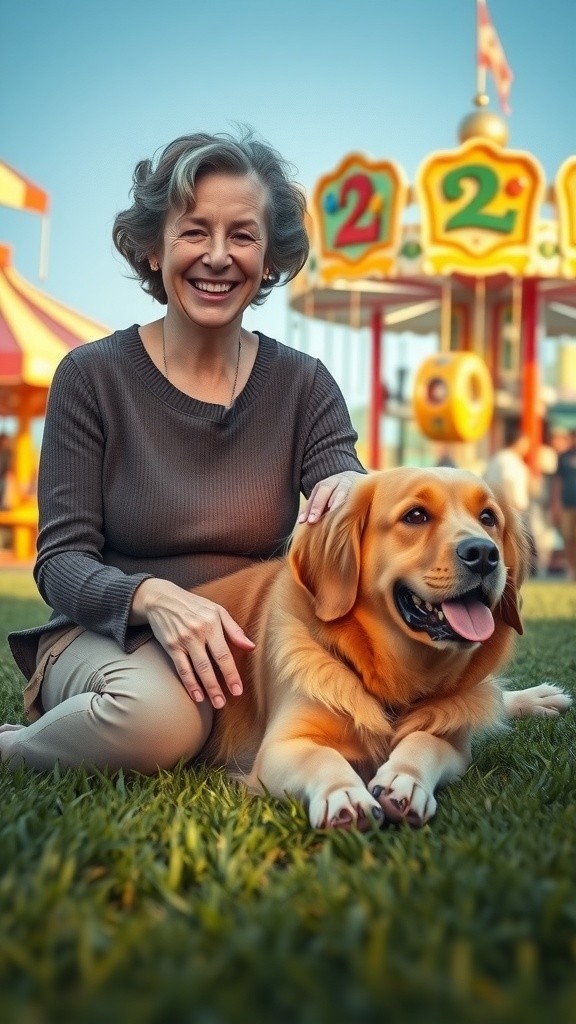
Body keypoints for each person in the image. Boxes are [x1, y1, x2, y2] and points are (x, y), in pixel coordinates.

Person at [0, 129, 366, 773]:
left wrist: (347, 488)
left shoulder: (304, 383)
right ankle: (16, 746)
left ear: (271, 258)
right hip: (108, 633)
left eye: (243, 236)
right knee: (162, 722)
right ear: (151, 248)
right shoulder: (91, 377)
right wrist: (155, 597)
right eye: (194, 232)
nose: (218, 257)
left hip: (246, 639)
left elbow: (341, 472)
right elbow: (59, 563)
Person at [551, 427, 576, 581]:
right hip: (567, 505)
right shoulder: (563, 457)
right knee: (568, 537)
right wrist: (555, 503)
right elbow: (557, 482)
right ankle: (571, 569)